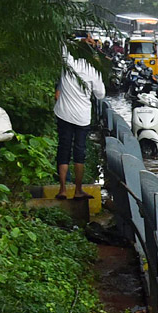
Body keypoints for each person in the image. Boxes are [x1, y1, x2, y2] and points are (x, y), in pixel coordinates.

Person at [53, 44, 106, 200]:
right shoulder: (93, 70)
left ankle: (62, 189)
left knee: (63, 149)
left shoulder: (67, 62)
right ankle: (78, 190)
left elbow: (61, 43)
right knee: (79, 153)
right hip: (82, 117)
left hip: (63, 113)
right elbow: (101, 94)